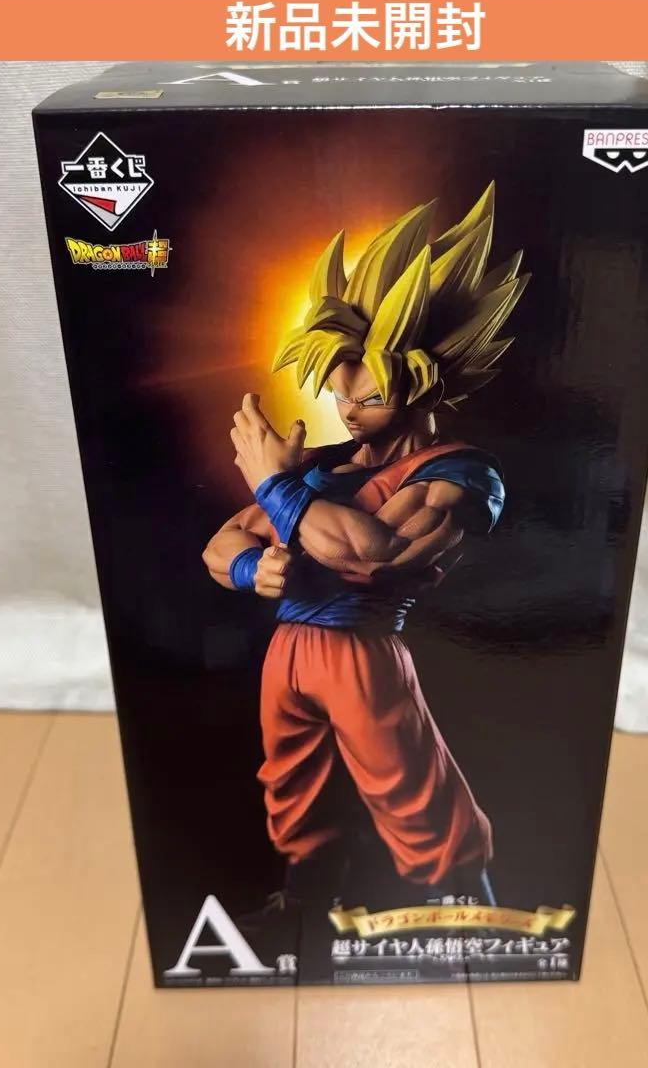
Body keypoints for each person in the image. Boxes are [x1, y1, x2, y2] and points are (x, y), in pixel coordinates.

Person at [202, 184, 528, 922]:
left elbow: (373, 556)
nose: (349, 411)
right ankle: (301, 913)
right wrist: (255, 565)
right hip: (289, 648)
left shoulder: (457, 472)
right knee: (292, 791)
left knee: (415, 797)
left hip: (361, 647)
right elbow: (220, 544)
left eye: (369, 397)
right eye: (340, 395)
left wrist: (275, 487)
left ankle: (467, 923)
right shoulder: (324, 465)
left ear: (425, 387)